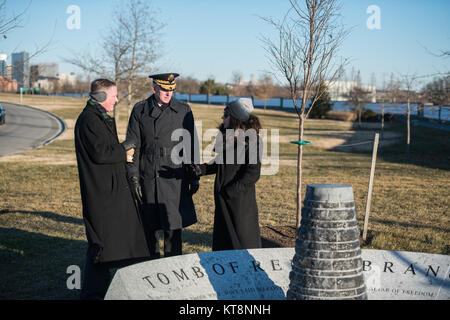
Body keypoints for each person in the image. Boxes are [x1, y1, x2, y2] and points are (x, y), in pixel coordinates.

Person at [74, 79, 150, 300]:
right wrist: (124, 149)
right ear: (100, 97)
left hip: (111, 190)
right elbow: (100, 153)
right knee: (100, 246)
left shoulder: (100, 117)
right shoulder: (89, 119)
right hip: (101, 193)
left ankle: (111, 288)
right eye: (114, 95)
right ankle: (93, 294)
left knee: (117, 242)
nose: (117, 99)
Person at [126, 73, 199, 259]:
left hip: (174, 178)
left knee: (173, 230)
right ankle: (150, 267)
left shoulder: (183, 110)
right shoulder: (140, 110)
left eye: (171, 90)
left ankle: (174, 269)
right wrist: (133, 177)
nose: (168, 93)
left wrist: (194, 175)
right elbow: (132, 147)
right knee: (149, 229)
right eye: (165, 89)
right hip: (148, 177)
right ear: (154, 89)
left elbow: (191, 145)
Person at [187, 98, 263, 251]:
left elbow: (252, 173)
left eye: (225, 115)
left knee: (242, 244)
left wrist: (230, 191)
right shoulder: (227, 137)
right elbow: (220, 163)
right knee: (224, 244)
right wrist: (200, 169)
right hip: (223, 199)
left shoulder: (252, 140)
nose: (222, 118)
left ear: (234, 118)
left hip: (239, 201)